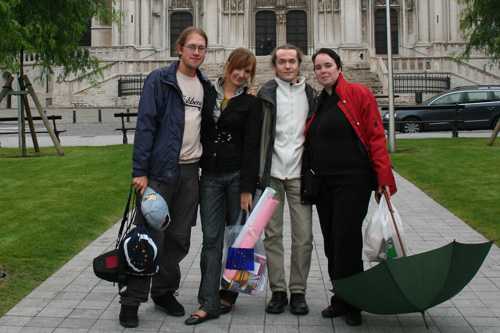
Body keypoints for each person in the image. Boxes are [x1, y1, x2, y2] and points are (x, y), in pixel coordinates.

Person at [118, 27, 212, 328]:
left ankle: (163, 291)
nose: (196, 52)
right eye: (192, 47)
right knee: (148, 237)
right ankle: (131, 301)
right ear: (180, 48)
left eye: (201, 48)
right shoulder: (159, 80)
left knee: (179, 238)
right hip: (160, 172)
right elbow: (145, 125)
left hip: (189, 172)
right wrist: (140, 172)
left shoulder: (205, 86)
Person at [305, 48, 397, 326]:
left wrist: (383, 178)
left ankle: (354, 302)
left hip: (352, 182)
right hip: (324, 184)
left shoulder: (358, 94)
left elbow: (375, 136)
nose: (323, 71)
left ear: (339, 67)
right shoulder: (320, 101)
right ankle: (340, 297)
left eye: (328, 65)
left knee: (347, 240)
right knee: (332, 243)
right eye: (318, 67)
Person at [185, 47, 262, 325]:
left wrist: (247, 188)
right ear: (228, 66)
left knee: (239, 240)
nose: (241, 75)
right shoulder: (207, 94)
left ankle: (230, 293)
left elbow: (252, 146)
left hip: (237, 177)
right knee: (211, 240)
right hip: (212, 177)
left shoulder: (251, 103)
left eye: (247, 71)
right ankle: (208, 302)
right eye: (238, 68)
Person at [257, 44, 316, 315]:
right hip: (272, 175)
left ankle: (299, 291)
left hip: (300, 176)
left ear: (299, 64)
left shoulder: (311, 95)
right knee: (273, 235)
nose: (288, 66)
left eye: (292, 61)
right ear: (274, 65)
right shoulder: (265, 94)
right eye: (282, 61)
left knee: (304, 237)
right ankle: (278, 290)